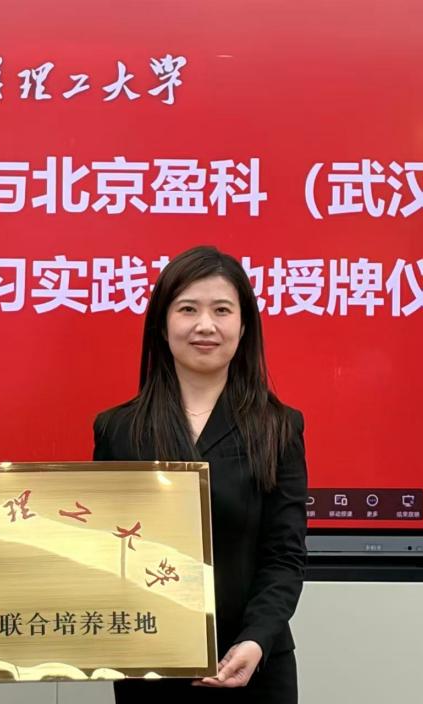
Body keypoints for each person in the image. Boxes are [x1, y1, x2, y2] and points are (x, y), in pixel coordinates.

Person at [93, 246, 307, 703]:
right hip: (150, 666)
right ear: (162, 324)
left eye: (222, 310)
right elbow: (106, 551)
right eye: (188, 309)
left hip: (254, 665)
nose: (205, 325)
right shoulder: (118, 430)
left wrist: (256, 639)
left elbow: (284, 556)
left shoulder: (279, 427)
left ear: (244, 326)